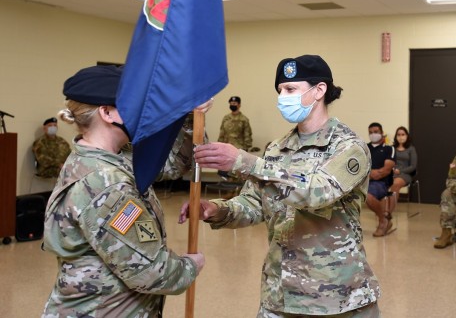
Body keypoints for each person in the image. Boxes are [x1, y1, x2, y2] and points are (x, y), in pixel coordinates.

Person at [179, 54, 381, 317]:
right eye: (280, 91)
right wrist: (216, 210)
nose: (282, 97)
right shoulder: (277, 148)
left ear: (319, 90)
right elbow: (254, 204)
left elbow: (315, 192)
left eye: (290, 89)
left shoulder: (348, 147)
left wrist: (245, 162)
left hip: (335, 297)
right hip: (280, 293)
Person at [41, 65, 204, 316]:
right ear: (107, 112)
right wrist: (190, 265)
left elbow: (174, 164)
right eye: (136, 103)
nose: (145, 110)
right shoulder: (105, 184)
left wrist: (190, 114)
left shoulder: (109, 157)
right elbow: (151, 273)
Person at [365, 122, 395, 237]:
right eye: (371, 133)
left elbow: (386, 170)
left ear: (382, 133)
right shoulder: (365, 148)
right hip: (364, 181)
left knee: (367, 195)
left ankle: (383, 220)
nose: (373, 134)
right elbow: (359, 169)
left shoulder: (389, 149)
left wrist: (370, 173)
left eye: (376, 132)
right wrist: (369, 174)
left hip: (381, 183)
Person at [388, 126, 417, 216]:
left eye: (403, 134)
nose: (401, 137)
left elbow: (413, 166)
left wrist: (400, 171)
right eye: (399, 134)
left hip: (405, 174)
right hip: (392, 173)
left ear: (407, 136)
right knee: (381, 183)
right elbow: (388, 161)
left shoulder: (411, 149)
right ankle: (383, 210)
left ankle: (388, 213)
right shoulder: (392, 148)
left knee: (395, 184)